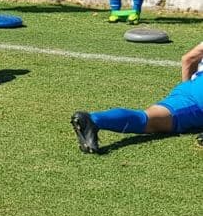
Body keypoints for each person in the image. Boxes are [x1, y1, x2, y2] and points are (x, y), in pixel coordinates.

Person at [72, 42, 203, 154]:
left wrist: (188, 90)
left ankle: (93, 119)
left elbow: (189, 58)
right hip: (195, 96)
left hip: (190, 88)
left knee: (148, 118)